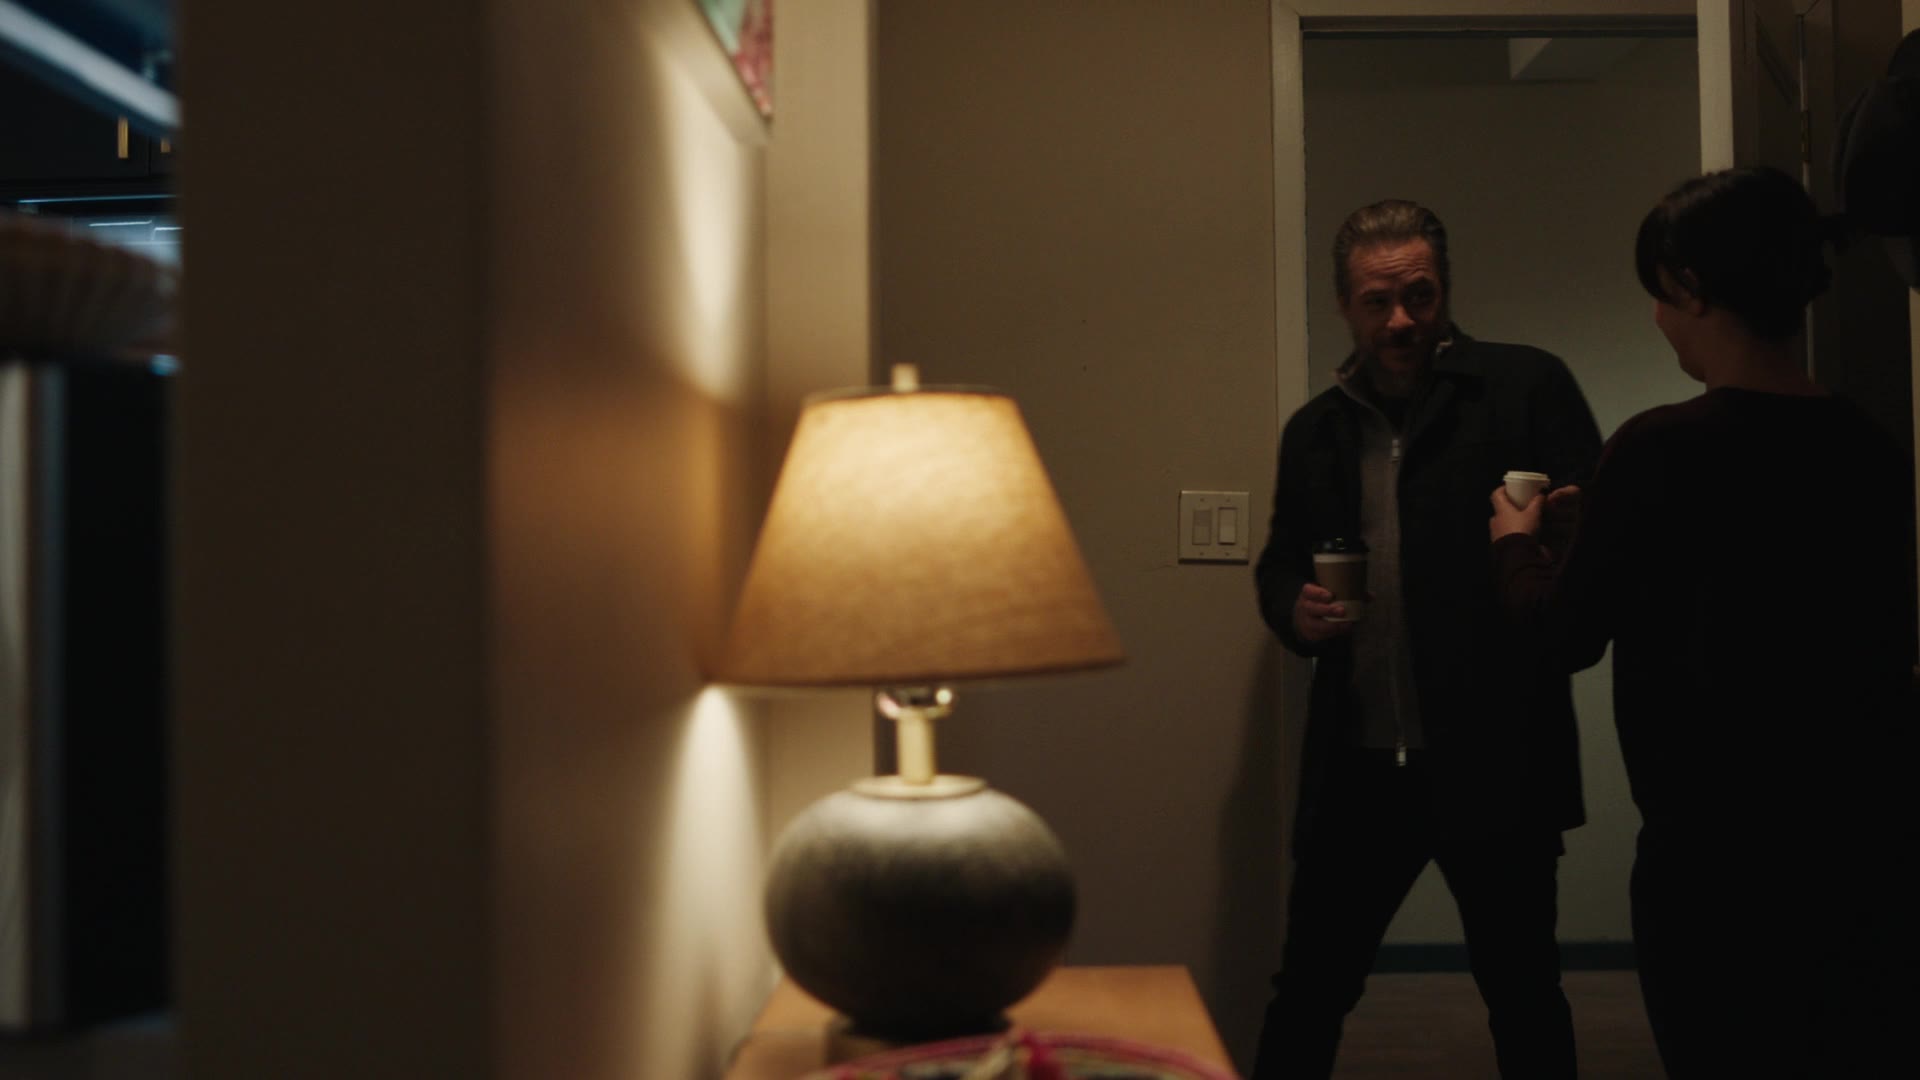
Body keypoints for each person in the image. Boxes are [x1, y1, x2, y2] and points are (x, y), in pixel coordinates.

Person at [1488, 165, 1918, 1078]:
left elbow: (1562, 636)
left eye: (1657, 291)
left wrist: (1517, 545)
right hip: (1862, 850)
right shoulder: (1872, 450)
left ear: (1689, 286)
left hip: (1712, 867)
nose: (1655, 314)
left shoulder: (1659, 448)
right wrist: (1603, 529)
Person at [1250, 199, 1602, 1080]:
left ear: (1445, 290)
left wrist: (1568, 524)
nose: (1401, 320)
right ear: (1346, 306)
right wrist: (1294, 609)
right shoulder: (1316, 430)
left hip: (1498, 758)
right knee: (1309, 994)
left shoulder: (1525, 386)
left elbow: (1596, 530)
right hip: (1359, 766)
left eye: (1420, 295)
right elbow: (1280, 562)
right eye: (1378, 302)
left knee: (1524, 993)